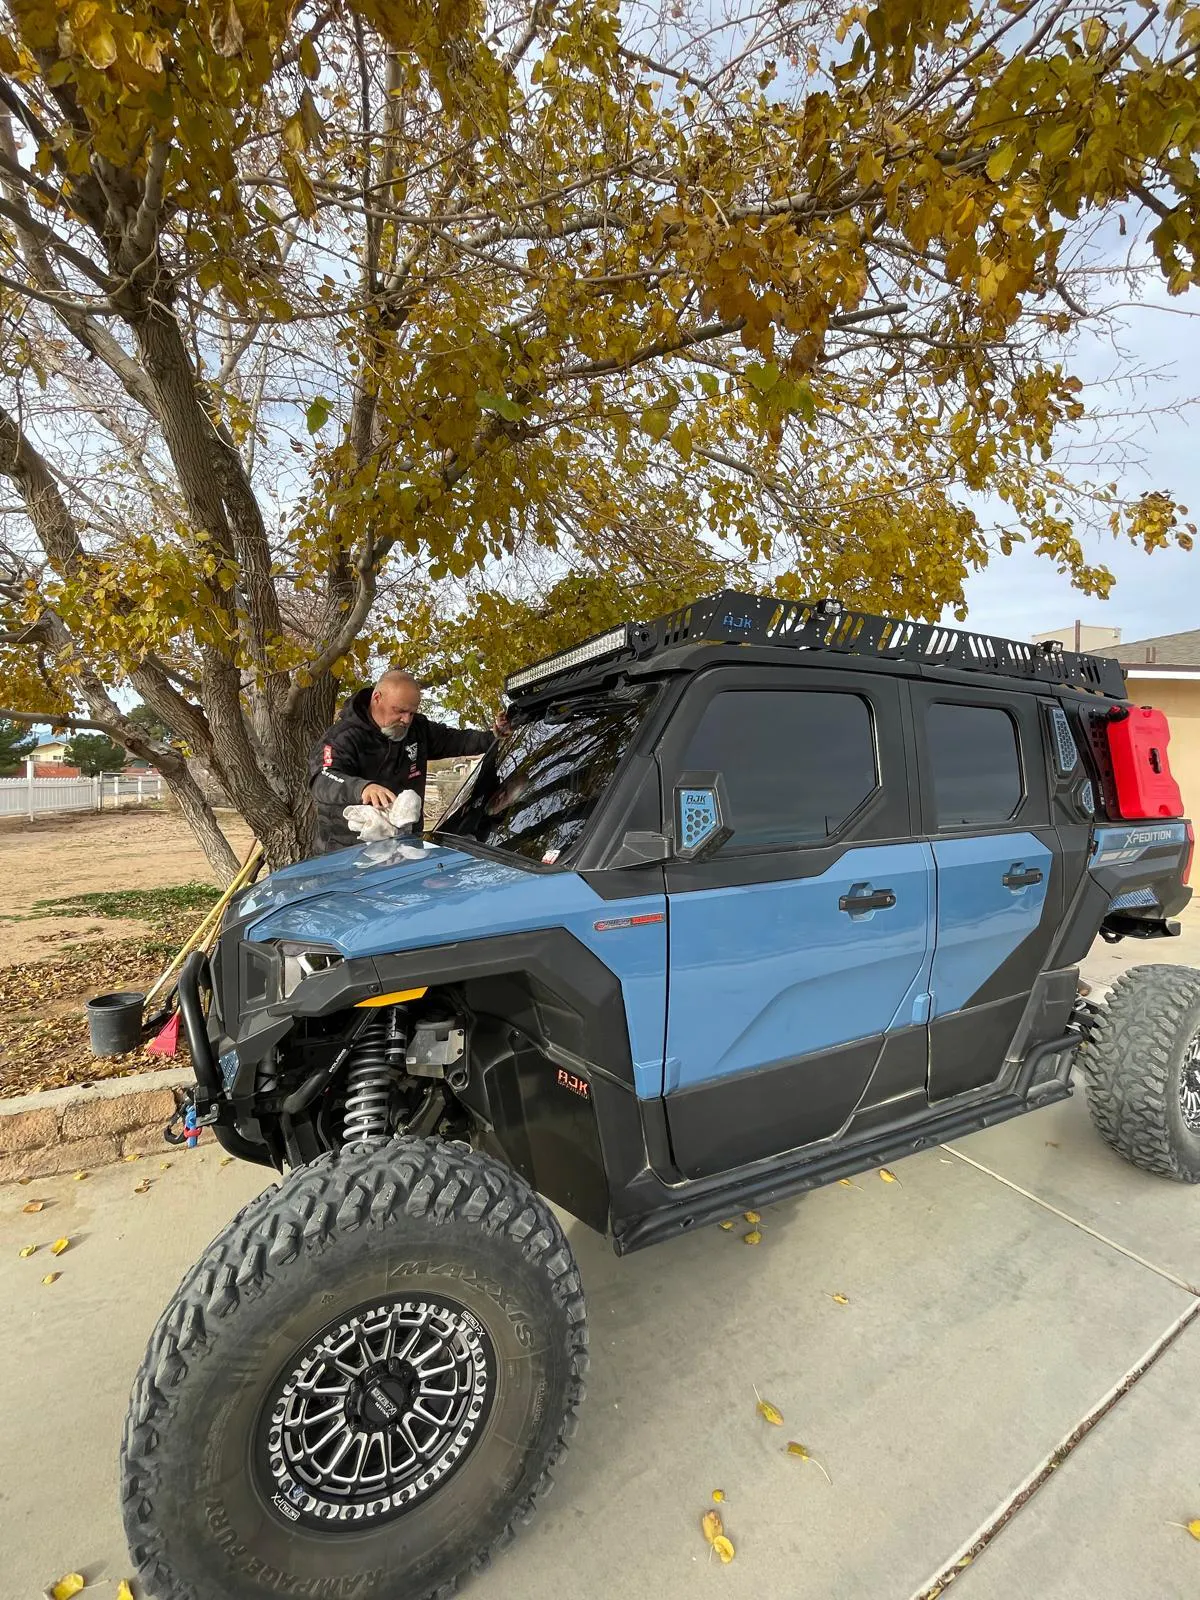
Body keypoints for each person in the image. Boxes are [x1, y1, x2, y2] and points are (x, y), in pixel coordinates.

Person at [308, 669, 508, 853]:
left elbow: (458, 741)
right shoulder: (343, 737)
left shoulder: (417, 730)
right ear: (377, 698)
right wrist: (363, 788)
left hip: (405, 848)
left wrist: (494, 735)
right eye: (400, 711)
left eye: (411, 713)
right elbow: (322, 778)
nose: (406, 720)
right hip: (348, 854)